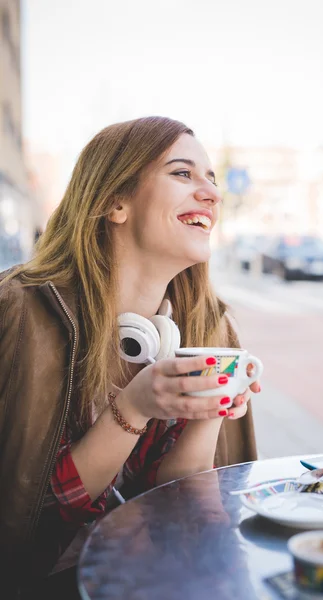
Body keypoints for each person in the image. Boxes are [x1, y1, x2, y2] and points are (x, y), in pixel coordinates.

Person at [0, 116, 260, 598]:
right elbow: (32, 518)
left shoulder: (213, 326)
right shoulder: (22, 307)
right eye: (183, 174)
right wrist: (135, 407)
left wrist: (210, 410)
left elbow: (180, 501)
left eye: (212, 179)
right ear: (113, 202)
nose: (211, 194)